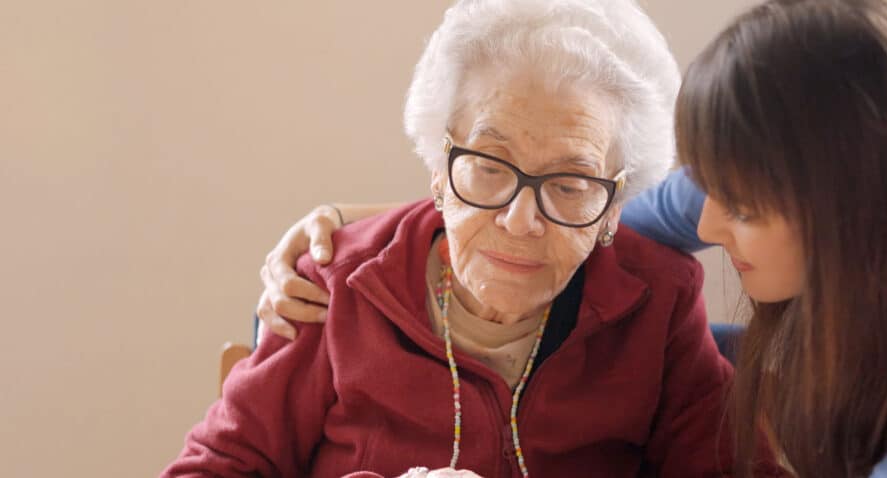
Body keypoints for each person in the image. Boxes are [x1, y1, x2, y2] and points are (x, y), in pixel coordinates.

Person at [260, 0, 887, 476]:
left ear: (857, 207)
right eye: (482, 166)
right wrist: (354, 222)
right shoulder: (338, 282)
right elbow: (555, 199)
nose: (711, 228)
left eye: (747, 207)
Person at [164, 0, 784, 477]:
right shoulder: (333, 285)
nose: (521, 220)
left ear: (613, 206)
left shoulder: (659, 300)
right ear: (439, 169)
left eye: (570, 183)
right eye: (489, 166)